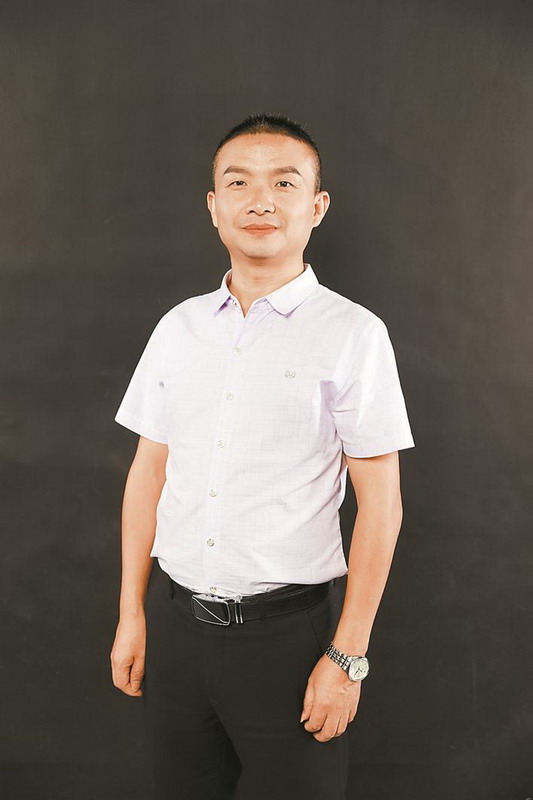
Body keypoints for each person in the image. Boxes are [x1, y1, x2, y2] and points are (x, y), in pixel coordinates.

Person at [110, 112, 415, 800]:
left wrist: (347, 656)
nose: (260, 201)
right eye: (238, 183)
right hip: (176, 628)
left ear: (317, 205)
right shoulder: (178, 328)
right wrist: (132, 613)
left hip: (289, 642)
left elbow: (382, 507)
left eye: (284, 182)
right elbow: (147, 475)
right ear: (213, 205)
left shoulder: (353, 334)